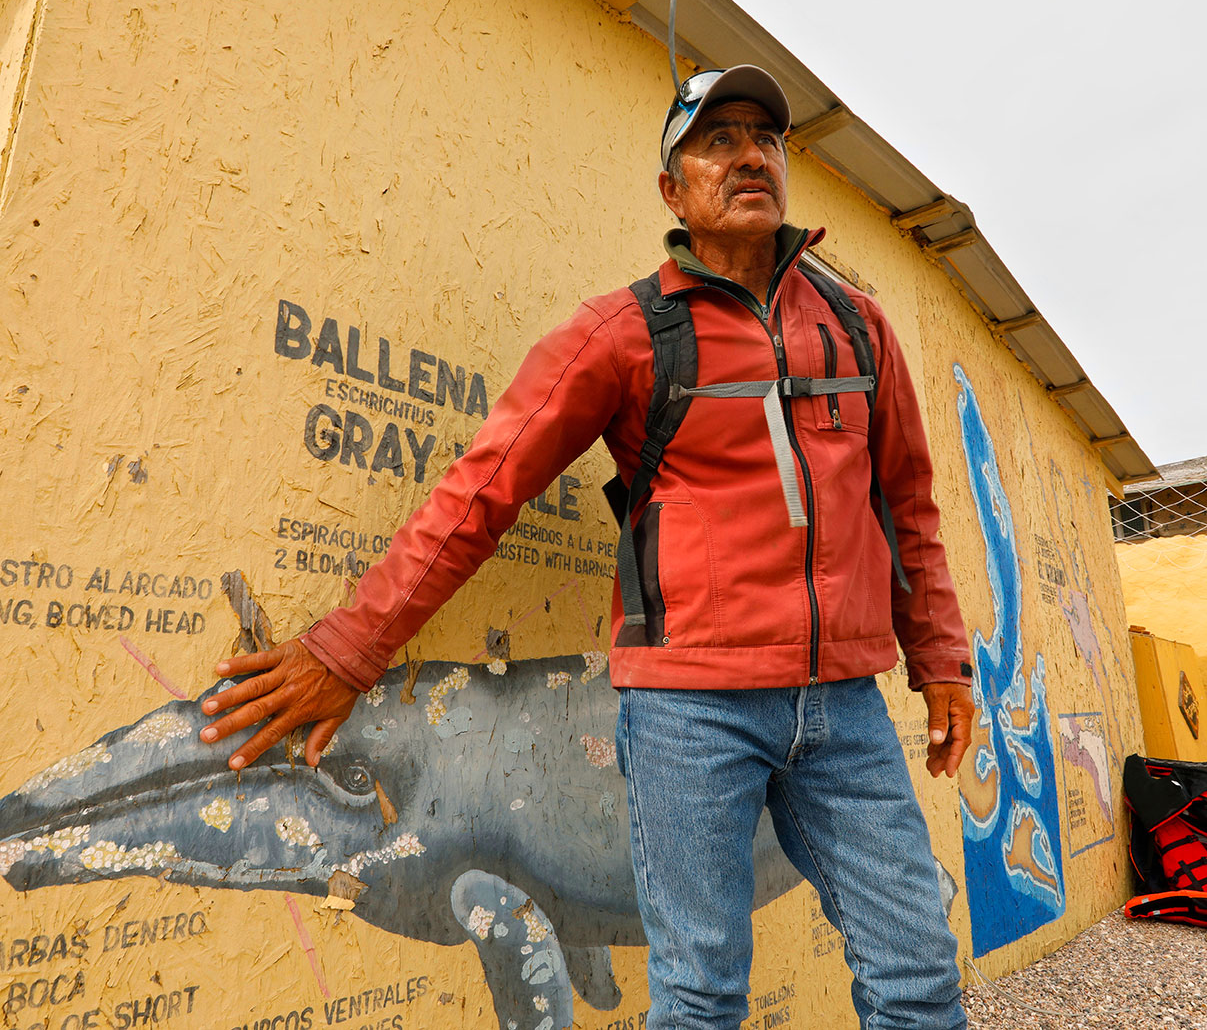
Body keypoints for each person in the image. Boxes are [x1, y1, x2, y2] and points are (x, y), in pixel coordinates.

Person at [201, 64, 976, 1030]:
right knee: (700, 994)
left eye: (765, 139)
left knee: (915, 972)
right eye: (717, 140)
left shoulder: (859, 330)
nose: (749, 156)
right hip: (689, 710)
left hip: (846, 712)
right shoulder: (622, 335)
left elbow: (908, 506)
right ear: (673, 191)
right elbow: (480, 492)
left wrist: (941, 660)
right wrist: (349, 647)